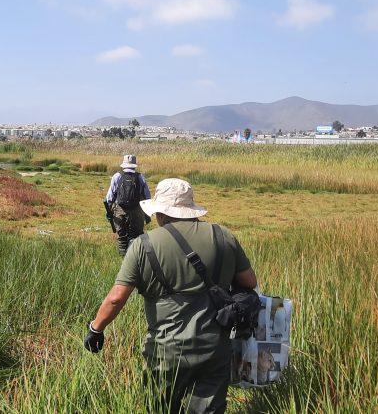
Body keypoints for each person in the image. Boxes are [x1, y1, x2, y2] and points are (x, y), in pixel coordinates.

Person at [85, 178, 258, 414]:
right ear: (191, 209)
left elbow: (116, 298)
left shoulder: (143, 245)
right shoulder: (224, 236)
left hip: (165, 351)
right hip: (215, 347)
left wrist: (96, 329)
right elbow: (250, 283)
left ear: (159, 213)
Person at [105, 155, 150, 256]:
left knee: (122, 236)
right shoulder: (140, 177)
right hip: (137, 210)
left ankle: (122, 259)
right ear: (134, 165)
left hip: (120, 210)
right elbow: (147, 196)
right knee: (137, 236)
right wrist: (147, 213)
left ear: (123, 164)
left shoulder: (117, 176)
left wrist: (108, 211)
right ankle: (135, 259)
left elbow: (110, 197)